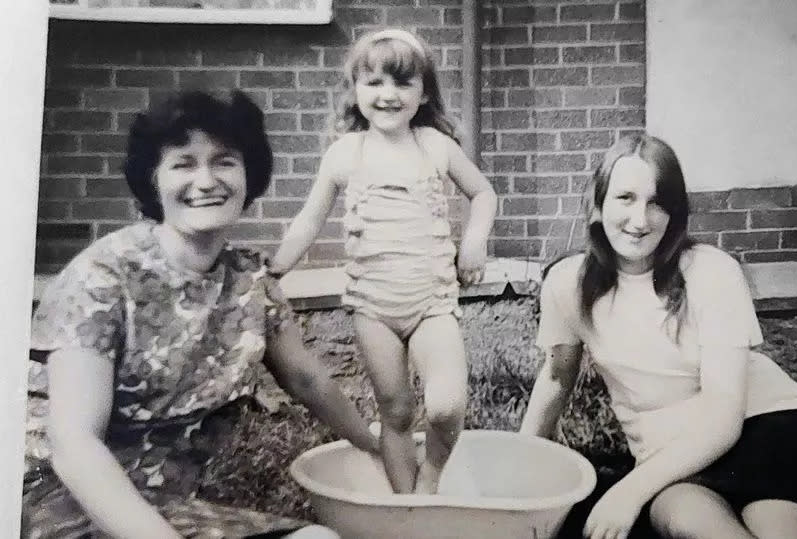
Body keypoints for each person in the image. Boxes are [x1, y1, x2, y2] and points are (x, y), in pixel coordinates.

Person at [22, 90, 378, 538]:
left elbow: (308, 380)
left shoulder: (251, 281)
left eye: (225, 161)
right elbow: (74, 444)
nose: (207, 180)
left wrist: (374, 444)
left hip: (169, 506)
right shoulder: (103, 278)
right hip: (63, 498)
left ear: (250, 175)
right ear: (153, 181)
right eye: (184, 163)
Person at [520, 134, 797, 539]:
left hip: (763, 424)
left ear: (674, 213)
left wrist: (627, 492)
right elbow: (556, 377)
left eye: (656, 202)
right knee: (689, 521)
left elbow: (725, 419)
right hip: (669, 461)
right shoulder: (567, 285)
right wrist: (518, 466)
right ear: (598, 204)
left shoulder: (711, 272)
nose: (640, 220)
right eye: (625, 198)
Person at [270, 28, 497, 494]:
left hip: (432, 302)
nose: (388, 95)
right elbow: (307, 223)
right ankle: (406, 505)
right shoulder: (344, 154)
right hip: (374, 308)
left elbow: (483, 192)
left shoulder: (434, 145)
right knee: (394, 412)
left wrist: (474, 242)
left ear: (424, 91)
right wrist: (273, 271)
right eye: (374, 83)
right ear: (355, 90)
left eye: (402, 83)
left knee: (446, 406)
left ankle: (431, 474)